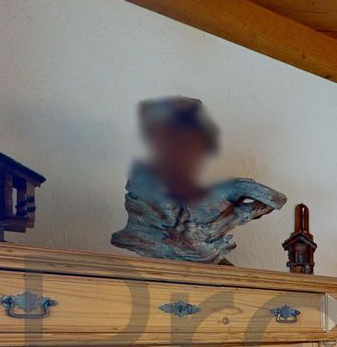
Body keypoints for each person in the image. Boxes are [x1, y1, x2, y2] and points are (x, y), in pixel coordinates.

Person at [111, 97, 285, 264]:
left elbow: (275, 199)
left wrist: (237, 207)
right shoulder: (146, 182)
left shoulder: (198, 186)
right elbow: (177, 229)